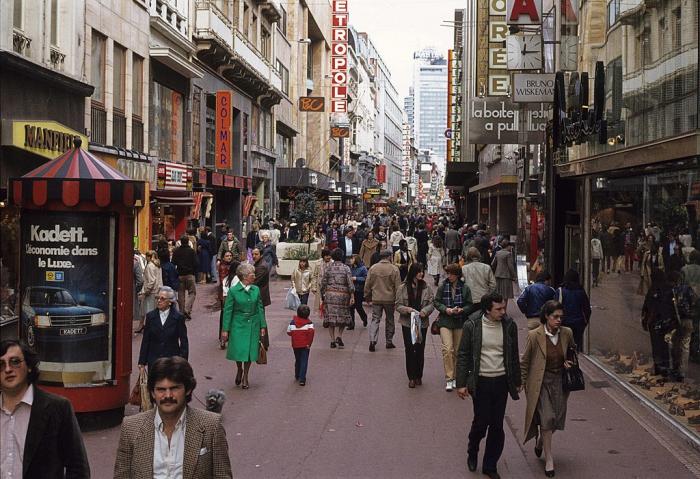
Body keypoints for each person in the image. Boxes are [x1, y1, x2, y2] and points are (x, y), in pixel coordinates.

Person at [114, 356, 232, 478]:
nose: (168, 395)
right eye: (161, 389)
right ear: (153, 393)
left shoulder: (211, 426)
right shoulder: (131, 428)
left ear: (188, 390)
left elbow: (222, 475)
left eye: (174, 388)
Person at [0, 339, 90, 478]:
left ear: (29, 366)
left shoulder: (57, 408)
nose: (8, 369)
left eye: (15, 362)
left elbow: (77, 467)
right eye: (1, 364)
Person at [455, 293, 521, 479]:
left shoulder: (509, 326)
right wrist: (461, 384)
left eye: (503, 308)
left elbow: (513, 354)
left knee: (497, 425)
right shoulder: (472, 325)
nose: (503, 312)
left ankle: (490, 465)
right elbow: (463, 355)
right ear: (487, 310)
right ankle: (473, 448)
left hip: (501, 381)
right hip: (481, 381)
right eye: (498, 309)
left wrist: (517, 379)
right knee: (481, 422)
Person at [520, 300, 575, 477]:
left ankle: (540, 443)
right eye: (555, 317)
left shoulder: (567, 333)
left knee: (556, 418)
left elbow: (572, 352)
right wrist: (521, 381)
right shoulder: (535, 335)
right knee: (547, 417)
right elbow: (526, 360)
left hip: (559, 381)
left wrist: (569, 362)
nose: (559, 320)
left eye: (561, 317)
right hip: (540, 382)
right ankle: (549, 459)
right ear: (546, 316)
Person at [221, 263, 268, 389]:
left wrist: (263, 325)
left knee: (249, 351)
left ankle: (246, 375)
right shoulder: (233, 291)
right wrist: (225, 329)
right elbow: (228, 311)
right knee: (239, 350)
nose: (254, 276)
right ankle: (239, 369)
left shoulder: (256, 289)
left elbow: (260, 308)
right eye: (252, 274)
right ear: (245, 276)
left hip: (253, 323)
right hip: (238, 324)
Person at [434, 263, 473, 391]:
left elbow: (470, 304)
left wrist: (462, 309)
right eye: (447, 273)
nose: (448, 276)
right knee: (447, 349)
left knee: (457, 350)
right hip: (445, 321)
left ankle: (456, 376)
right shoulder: (442, 286)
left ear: (457, 275)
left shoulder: (465, 288)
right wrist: (446, 309)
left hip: (460, 321)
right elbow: (436, 301)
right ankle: (449, 378)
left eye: (450, 273)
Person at [395, 263, 435, 388]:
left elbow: (431, 303)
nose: (421, 274)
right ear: (413, 272)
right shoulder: (403, 287)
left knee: (420, 348)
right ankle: (411, 377)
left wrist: (425, 311)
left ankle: (419, 375)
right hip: (408, 322)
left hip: (421, 322)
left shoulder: (426, 287)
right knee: (409, 349)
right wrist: (407, 309)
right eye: (418, 271)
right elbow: (398, 305)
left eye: (422, 271)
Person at [138, 286, 189, 372]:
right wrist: (142, 362)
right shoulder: (150, 316)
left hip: (171, 362)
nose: (159, 301)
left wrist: (182, 362)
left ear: (170, 302)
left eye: (162, 299)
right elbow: (146, 340)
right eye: (157, 298)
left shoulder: (178, 317)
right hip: (154, 361)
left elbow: (184, 342)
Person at [365, 250, 402, 351]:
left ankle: (373, 339)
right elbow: (398, 287)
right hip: (389, 299)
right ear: (389, 257)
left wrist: (367, 295)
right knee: (390, 319)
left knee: (375, 319)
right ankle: (389, 341)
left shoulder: (373, 268)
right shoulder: (394, 269)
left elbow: (368, 284)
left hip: (376, 297)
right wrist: (398, 300)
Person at [320, 249, 355, 349]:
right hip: (343, 296)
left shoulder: (329, 268)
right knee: (343, 316)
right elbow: (350, 283)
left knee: (331, 318)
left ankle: (332, 340)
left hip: (330, 295)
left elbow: (323, 283)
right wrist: (352, 295)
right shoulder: (346, 268)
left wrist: (323, 294)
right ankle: (339, 336)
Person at [668, 270, 697, 382]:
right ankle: (683, 372)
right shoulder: (687, 288)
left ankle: (675, 368)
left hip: (675, 321)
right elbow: (694, 301)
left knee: (674, 344)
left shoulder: (671, 290)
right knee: (685, 345)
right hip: (688, 320)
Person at [461, 247, 496, 314]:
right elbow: (493, 284)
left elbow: (462, 283)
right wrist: (488, 294)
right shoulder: (486, 267)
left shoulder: (464, 268)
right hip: (484, 298)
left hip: (470, 299)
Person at [171, 235, 199, 320]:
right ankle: (187, 309)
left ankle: (181, 312)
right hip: (190, 274)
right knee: (192, 293)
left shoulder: (176, 251)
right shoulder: (191, 251)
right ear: (188, 241)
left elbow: (173, 263)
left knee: (181, 294)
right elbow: (196, 263)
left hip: (180, 275)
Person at [287, 304, 315, 386]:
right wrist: (309, 344)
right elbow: (311, 334)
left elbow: (289, 332)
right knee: (304, 361)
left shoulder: (292, 322)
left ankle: (297, 374)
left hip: (295, 345)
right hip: (305, 345)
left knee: (298, 359)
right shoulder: (309, 324)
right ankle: (302, 379)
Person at [136, 250, 163, 333]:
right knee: (154, 309)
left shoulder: (150, 266)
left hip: (151, 292)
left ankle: (149, 328)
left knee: (148, 310)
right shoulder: (157, 265)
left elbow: (152, 280)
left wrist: (147, 290)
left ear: (149, 257)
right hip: (157, 290)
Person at [219, 258, 241, 349]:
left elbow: (224, 291)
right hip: (234, 302)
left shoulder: (226, 279)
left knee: (226, 322)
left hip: (226, 301)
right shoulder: (237, 279)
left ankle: (223, 340)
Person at [349, 254, 368, 329]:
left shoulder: (363, 268)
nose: (350, 260)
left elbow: (366, 278)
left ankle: (364, 317)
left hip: (359, 290)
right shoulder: (350, 268)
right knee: (351, 307)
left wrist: (356, 278)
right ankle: (351, 324)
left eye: (352, 259)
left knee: (358, 306)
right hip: (351, 290)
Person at [311, 249, 333, 314]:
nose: (328, 257)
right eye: (326, 256)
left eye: (329, 255)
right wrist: (313, 287)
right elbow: (315, 276)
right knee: (321, 302)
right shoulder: (318, 264)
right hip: (320, 286)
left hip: (330, 286)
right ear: (323, 256)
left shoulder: (333, 263)